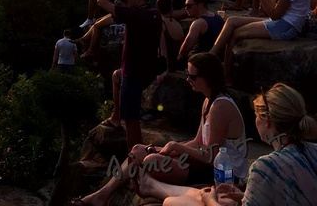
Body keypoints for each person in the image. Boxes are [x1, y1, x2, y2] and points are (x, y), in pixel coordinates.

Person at [71, 53, 247, 206]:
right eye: (187, 74)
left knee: (151, 161)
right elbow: (198, 142)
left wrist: (176, 148)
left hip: (223, 172)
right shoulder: (209, 101)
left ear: (207, 78)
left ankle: (148, 186)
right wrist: (171, 148)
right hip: (206, 163)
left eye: (192, 76)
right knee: (138, 150)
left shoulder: (221, 107)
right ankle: (101, 195)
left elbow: (212, 155)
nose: (188, 80)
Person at [136, 83, 317, 206]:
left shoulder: (266, 166)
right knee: (207, 194)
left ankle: (152, 187)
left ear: (266, 121)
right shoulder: (313, 151)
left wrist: (209, 201)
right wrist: (244, 197)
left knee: (173, 203)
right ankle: (151, 186)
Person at [210, 0, 310, 82]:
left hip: (285, 27)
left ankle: (225, 74)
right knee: (232, 20)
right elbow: (277, 10)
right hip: (283, 22)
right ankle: (212, 54)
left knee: (235, 34)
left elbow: (274, 15)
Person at [95, 0, 162, 150]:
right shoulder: (153, 13)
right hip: (147, 70)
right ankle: (115, 116)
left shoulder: (134, 15)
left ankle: (136, 158)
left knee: (131, 120)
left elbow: (101, 1)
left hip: (133, 74)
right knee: (115, 76)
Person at [178, 0, 224, 64]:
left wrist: (178, 59)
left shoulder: (198, 23)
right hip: (218, 57)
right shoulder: (218, 18)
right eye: (185, 6)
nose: (186, 8)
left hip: (201, 60)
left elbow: (186, 47)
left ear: (200, 5)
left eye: (189, 6)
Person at [156, 0, 184, 76]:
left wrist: (163, 71)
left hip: (168, 66)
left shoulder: (161, 24)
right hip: (177, 64)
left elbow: (163, 49)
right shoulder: (177, 24)